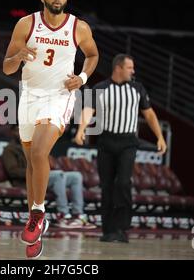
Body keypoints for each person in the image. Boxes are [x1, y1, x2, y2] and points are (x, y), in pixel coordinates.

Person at [3, 0, 99, 258]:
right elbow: (8, 68)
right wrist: (19, 55)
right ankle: (35, 227)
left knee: (41, 152)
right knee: (32, 161)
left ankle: (38, 213)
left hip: (59, 96)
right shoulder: (26, 24)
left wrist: (81, 77)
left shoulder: (78, 27)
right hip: (29, 96)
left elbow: (93, 55)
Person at [75, 53, 167, 243]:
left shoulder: (137, 88)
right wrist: (81, 130)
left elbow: (149, 114)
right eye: (130, 68)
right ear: (118, 68)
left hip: (128, 143)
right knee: (107, 186)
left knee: (123, 183)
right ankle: (108, 230)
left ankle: (122, 228)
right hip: (106, 142)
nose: (133, 71)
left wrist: (160, 136)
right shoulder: (100, 88)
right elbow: (88, 110)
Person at [1, 126, 96, 229]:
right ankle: (63, 215)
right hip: (25, 181)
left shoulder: (33, 146)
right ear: (13, 133)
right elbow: (12, 171)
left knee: (76, 176)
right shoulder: (9, 149)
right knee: (58, 175)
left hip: (40, 177)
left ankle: (78, 215)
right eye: (18, 130)